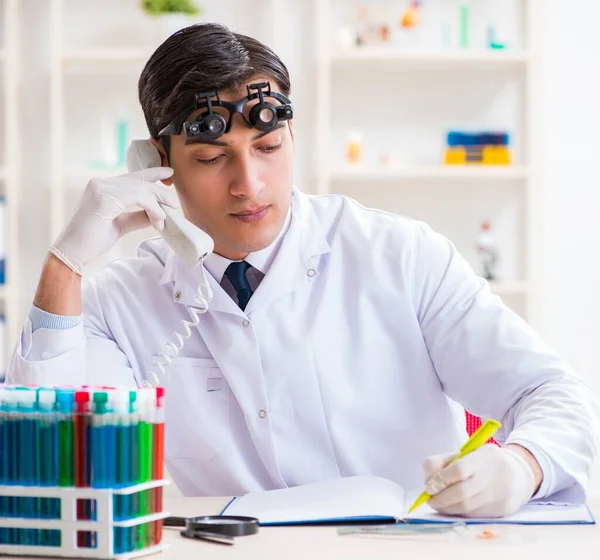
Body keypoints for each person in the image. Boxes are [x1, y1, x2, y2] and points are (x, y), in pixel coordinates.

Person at [7, 23, 599, 518]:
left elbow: (554, 393)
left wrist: (523, 465)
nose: (249, 185)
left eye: (268, 147)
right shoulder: (120, 304)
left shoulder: (400, 255)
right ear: (156, 164)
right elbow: (59, 468)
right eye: (212, 158)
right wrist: (66, 263)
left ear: (292, 134)